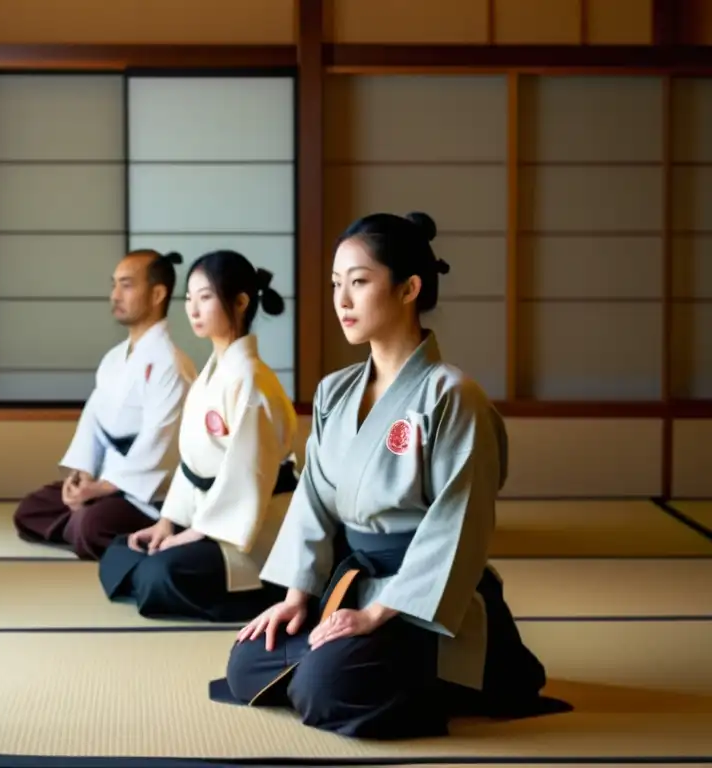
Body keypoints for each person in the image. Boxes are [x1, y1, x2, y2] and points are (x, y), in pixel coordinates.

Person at [209, 212, 569, 740]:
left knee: (321, 687)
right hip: (351, 586)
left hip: (420, 598)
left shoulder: (452, 396)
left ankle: (446, 673)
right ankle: (355, 670)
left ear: (409, 289)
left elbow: (459, 525)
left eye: (358, 282)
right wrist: (296, 595)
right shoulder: (336, 391)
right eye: (336, 285)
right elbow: (313, 501)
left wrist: (378, 613)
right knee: (247, 663)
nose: (342, 300)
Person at [98, 250, 300, 623]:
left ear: (240, 302)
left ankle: (265, 595)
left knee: (160, 571)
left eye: (204, 297)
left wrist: (195, 533)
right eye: (189, 298)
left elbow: (248, 478)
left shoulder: (252, 382)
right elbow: (193, 466)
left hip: (251, 533)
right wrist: (169, 521)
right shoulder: (216, 370)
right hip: (209, 517)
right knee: (121, 550)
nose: (192, 308)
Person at [13, 250, 197, 560]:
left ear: (157, 293)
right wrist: (83, 475)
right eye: (114, 285)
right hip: (107, 481)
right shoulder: (114, 358)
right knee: (30, 509)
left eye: (126, 285)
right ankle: (87, 525)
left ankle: (120, 530)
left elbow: (160, 442)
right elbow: (92, 422)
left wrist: (101, 489)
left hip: (149, 494)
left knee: (89, 525)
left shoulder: (171, 364)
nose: (115, 295)